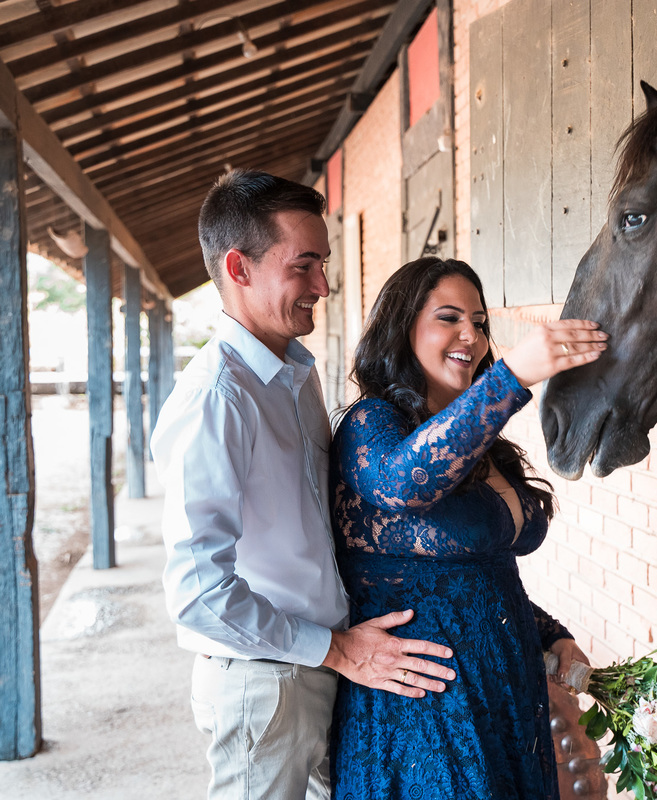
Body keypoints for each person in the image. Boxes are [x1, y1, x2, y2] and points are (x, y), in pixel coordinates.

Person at [150, 170, 454, 800]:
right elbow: (199, 593)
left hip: (315, 670)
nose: (323, 284)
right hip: (265, 686)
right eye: (304, 265)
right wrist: (337, 651)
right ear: (239, 267)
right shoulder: (217, 398)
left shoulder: (292, 375)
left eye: (324, 263)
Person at [330, 256, 607, 799]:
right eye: (449, 318)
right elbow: (405, 481)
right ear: (403, 326)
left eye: (480, 323)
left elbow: (479, 575)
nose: (472, 337)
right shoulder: (371, 425)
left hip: (507, 696)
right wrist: (511, 378)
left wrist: (553, 633)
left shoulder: (487, 446)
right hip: (425, 710)